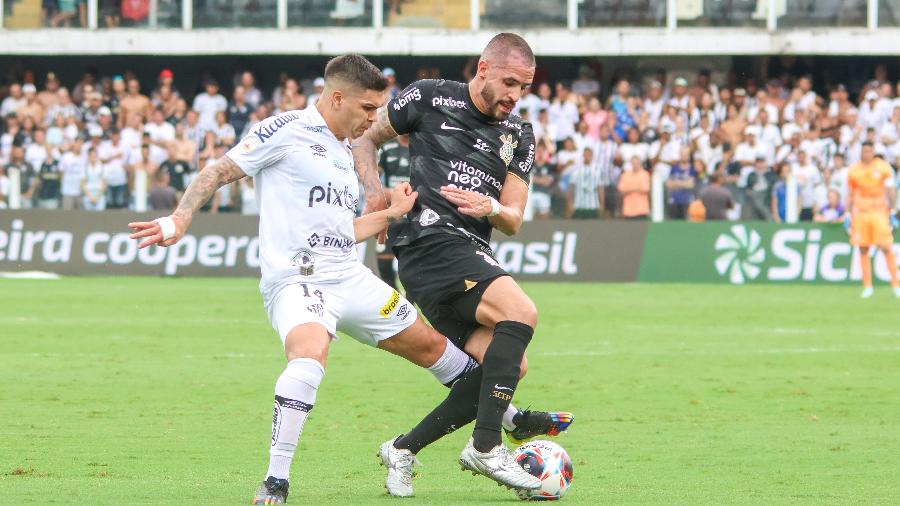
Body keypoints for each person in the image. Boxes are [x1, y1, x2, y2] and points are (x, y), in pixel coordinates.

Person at [128, 55, 488, 506]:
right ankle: (275, 481)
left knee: (441, 352)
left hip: (347, 277)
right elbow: (219, 170)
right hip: (298, 280)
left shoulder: (342, 150)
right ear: (337, 98)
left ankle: (508, 422)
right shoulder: (286, 130)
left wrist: (389, 214)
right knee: (310, 355)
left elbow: (341, 233)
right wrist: (180, 218)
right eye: (368, 109)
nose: (375, 120)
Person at [354, 33, 573, 496]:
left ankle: (403, 448)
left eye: (525, 88)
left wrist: (489, 208)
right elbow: (364, 141)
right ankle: (487, 446)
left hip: (469, 252)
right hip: (427, 241)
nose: (515, 95)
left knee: (509, 365)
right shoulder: (430, 96)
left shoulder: (519, 136)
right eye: (510, 82)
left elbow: (513, 218)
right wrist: (376, 190)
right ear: (483, 70)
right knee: (522, 312)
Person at [846, 142, 900, 298]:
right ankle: (867, 286)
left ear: (873, 152)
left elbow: (890, 189)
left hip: (879, 212)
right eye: (864, 151)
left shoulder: (883, 167)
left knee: (885, 247)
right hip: (861, 213)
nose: (867, 154)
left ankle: (896, 284)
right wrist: (848, 213)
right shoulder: (854, 170)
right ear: (861, 152)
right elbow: (850, 193)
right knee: (863, 248)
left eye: (869, 151)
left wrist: (893, 210)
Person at [374, 133, 411, 290]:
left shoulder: (422, 147)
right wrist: (385, 192)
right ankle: (393, 295)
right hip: (391, 214)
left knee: (411, 264)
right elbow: (373, 180)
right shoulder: (387, 148)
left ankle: (411, 302)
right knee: (383, 263)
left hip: (413, 215)